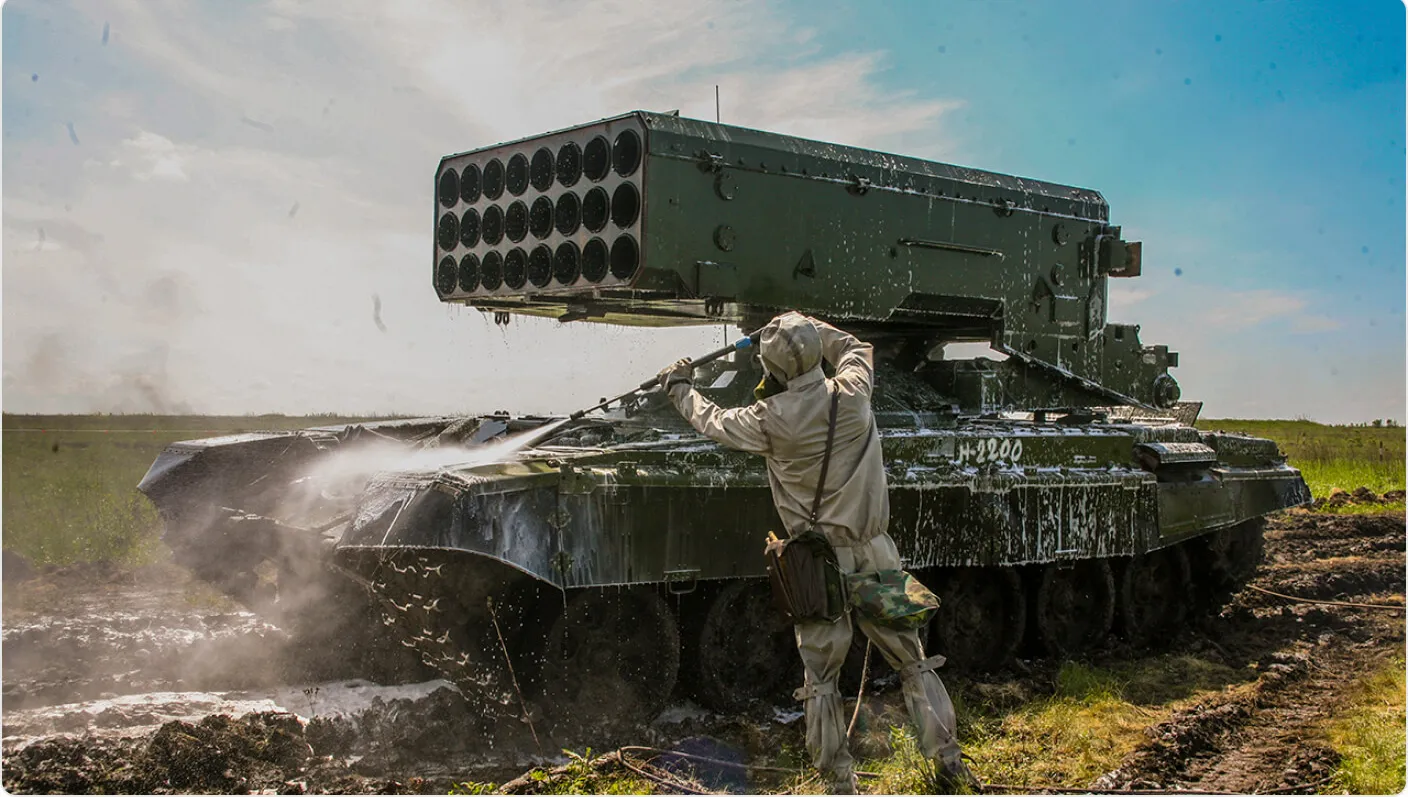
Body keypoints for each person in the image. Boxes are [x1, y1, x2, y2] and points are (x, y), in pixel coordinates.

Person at [657, 311, 975, 794]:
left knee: (822, 678)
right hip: (874, 551)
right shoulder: (853, 393)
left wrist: (679, 385)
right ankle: (948, 763)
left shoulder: (769, 420)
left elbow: (712, 420)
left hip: (815, 563)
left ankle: (838, 781)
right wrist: (807, 326)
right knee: (912, 659)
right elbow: (855, 348)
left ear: (772, 370)